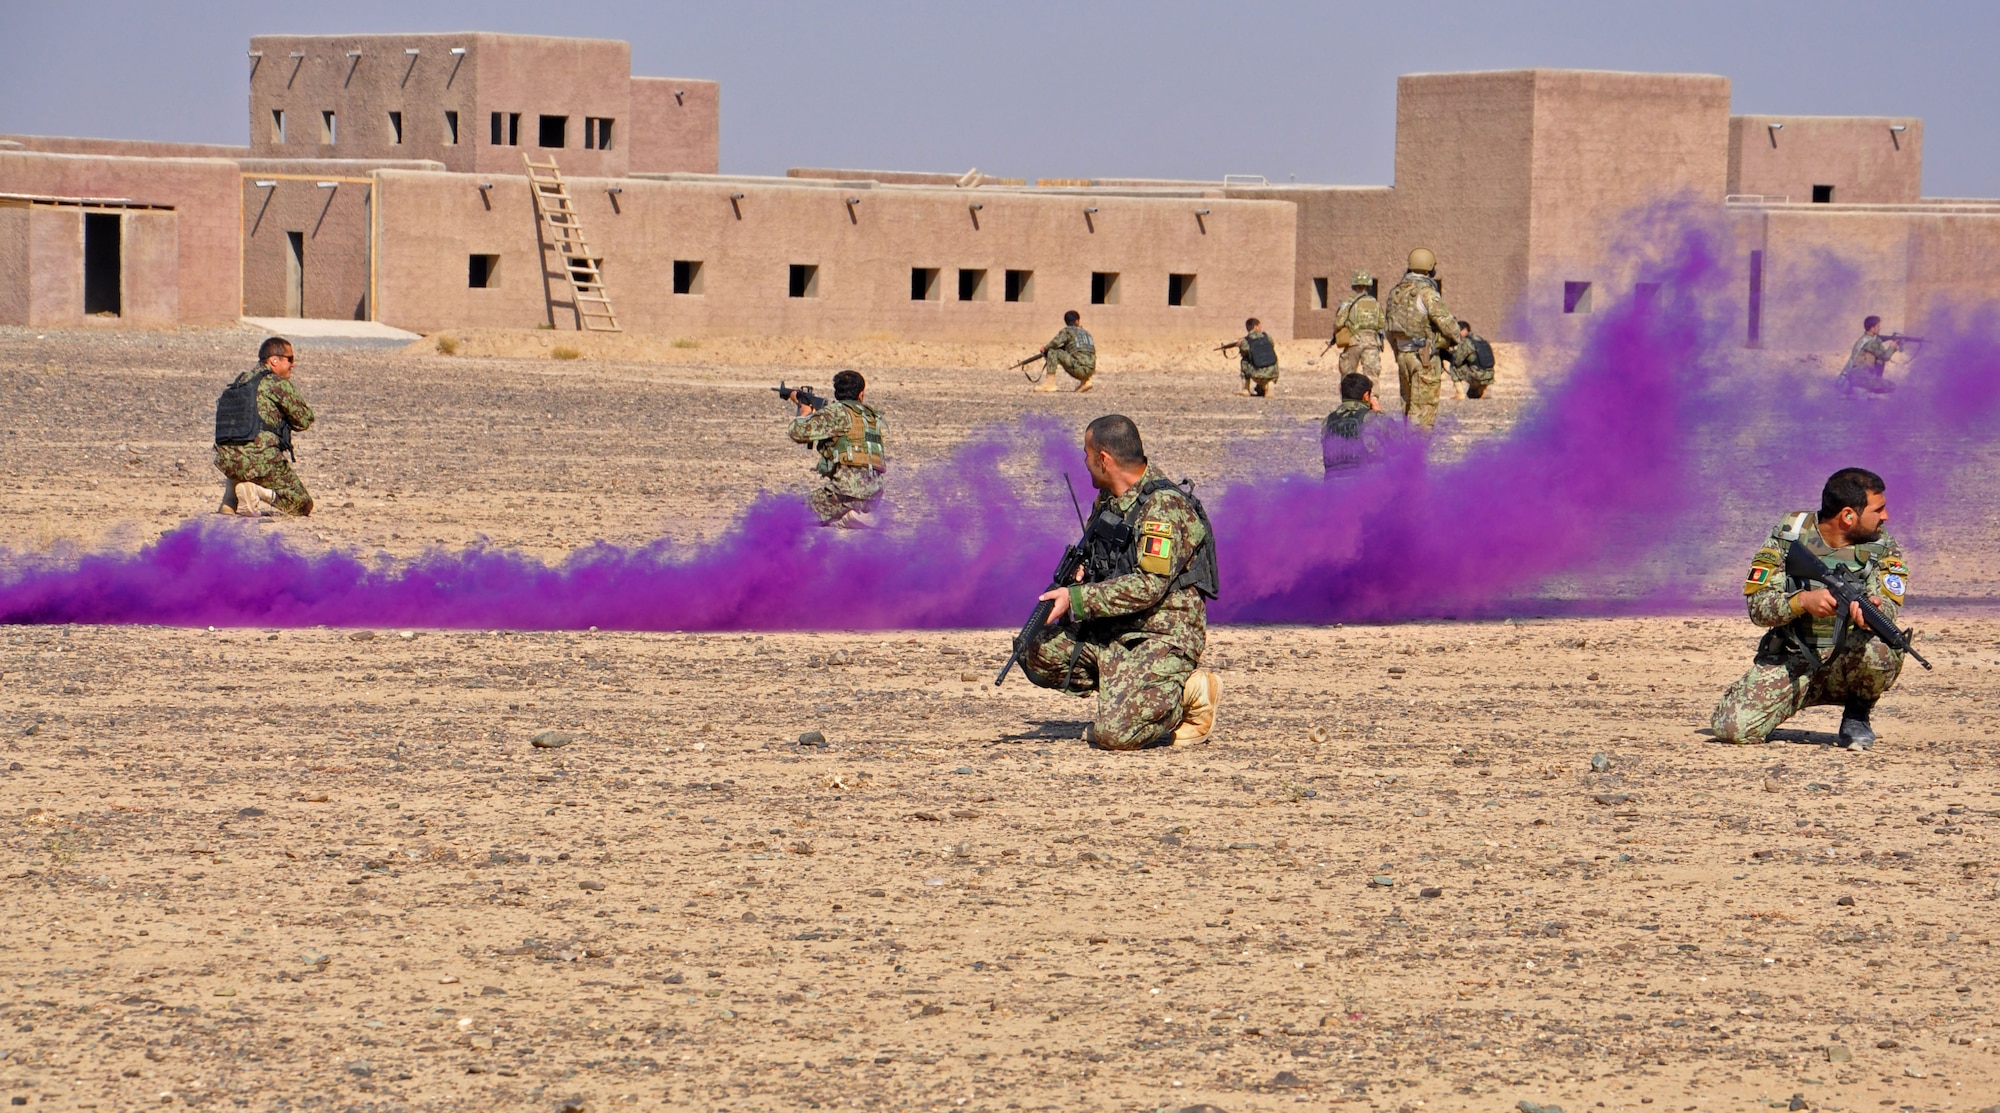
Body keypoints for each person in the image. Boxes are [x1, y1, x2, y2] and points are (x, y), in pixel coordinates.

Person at [1018, 415, 1220, 750]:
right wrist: (1083, 572)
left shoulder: (1163, 508)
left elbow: (1149, 585)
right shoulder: (1110, 500)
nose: (1084, 462)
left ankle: (1186, 695)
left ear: (1104, 459)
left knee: (1115, 735)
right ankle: (1131, 692)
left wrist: (1078, 599)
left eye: (1087, 454)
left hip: (1156, 634)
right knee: (1034, 649)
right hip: (1113, 628)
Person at [1710, 468, 1911, 750]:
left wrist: (1873, 613)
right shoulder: (1790, 536)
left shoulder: (1881, 546)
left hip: (1848, 661)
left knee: (1884, 646)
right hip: (1793, 657)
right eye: (1878, 509)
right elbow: (1758, 608)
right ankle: (1766, 697)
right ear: (1848, 515)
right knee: (1732, 729)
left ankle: (1857, 714)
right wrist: (1802, 601)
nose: (1885, 516)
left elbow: (1888, 606)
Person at [213, 336, 315, 516]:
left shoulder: (240, 381)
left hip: (226, 460)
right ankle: (257, 491)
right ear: (274, 360)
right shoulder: (276, 383)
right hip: (260, 460)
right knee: (302, 504)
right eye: (290, 359)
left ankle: (230, 500)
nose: (293, 364)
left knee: (240, 449)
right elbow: (304, 420)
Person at [788, 369, 885, 528]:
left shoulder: (836, 412)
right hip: (874, 496)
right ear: (861, 394)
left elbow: (797, 433)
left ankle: (841, 517)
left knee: (789, 512)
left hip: (844, 494)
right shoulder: (871, 417)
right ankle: (851, 516)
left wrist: (804, 411)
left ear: (836, 392)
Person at [1383, 248, 1461, 430]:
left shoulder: (1395, 293)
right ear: (1430, 268)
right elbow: (1448, 325)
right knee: (1423, 412)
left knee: (1408, 406)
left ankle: (1406, 445)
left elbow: (1388, 328)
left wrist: (1398, 353)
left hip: (1404, 355)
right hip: (1424, 358)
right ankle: (1417, 448)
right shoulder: (1427, 293)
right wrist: (1454, 339)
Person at [1320, 373, 1397, 473]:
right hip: (1366, 482)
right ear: (1366, 396)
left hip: (1333, 481)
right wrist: (1380, 413)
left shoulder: (1328, 421)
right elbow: (1399, 447)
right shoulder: (1375, 419)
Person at [1331, 270, 1385, 380]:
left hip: (1353, 341)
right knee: (1372, 376)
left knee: (1348, 376)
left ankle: (1350, 392)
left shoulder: (1348, 303)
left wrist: (1337, 334)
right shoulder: (1376, 304)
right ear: (1369, 286)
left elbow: (1338, 323)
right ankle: (1372, 392)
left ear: (1354, 286)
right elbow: (1382, 324)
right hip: (1372, 343)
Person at [1035, 310, 1097, 393]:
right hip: (1091, 370)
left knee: (1052, 351)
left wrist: (1045, 348)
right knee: (1080, 356)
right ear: (1077, 321)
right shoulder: (1086, 333)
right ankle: (1086, 381)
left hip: (1080, 370)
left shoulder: (1067, 331)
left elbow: (1055, 343)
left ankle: (1050, 384)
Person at [1838, 316, 1900, 395]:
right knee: (1891, 386)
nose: (1880, 328)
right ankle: (1860, 390)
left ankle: (1858, 389)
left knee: (1878, 368)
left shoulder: (1865, 339)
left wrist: (1893, 339)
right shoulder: (1870, 342)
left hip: (1857, 374)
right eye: (1878, 326)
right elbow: (1885, 356)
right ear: (1872, 328)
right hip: (1861, 376)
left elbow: (1878, 341)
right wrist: (1892, 347)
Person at [1220, 317, 1280, 396]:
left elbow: (1244, 352)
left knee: (1245, 360)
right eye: (1260, 326)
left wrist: (1240, 345)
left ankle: (1245, 389)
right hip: (1273, 374)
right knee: (1271, 357)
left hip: (1257, 375)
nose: (1261, 328)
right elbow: (1270, 347)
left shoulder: (1245, 341)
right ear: (1256, 327)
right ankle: (1269, 385)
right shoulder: (1267, 337)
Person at [1448, 321, 1496, 399]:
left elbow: (1457, 361)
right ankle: (1483, 391)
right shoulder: (1480, 340)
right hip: (1489, 376)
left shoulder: (1466, 342)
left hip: (1478, 376)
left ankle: (1460, 394)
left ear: (1464, 330)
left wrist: (1452, 354)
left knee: (1453, 366)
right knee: (1472, 395)